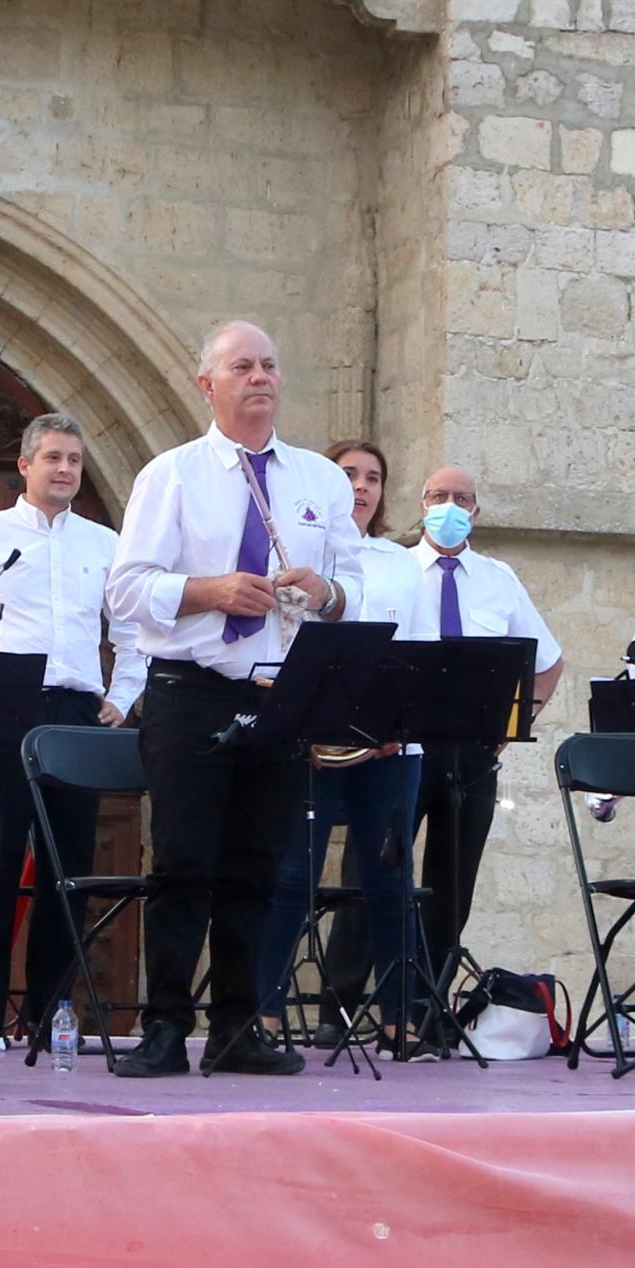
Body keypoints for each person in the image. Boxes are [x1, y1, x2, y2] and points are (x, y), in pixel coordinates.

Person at [103, 321, 361, 1076]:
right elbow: (125, 589)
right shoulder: (171, 474)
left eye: (270, 364)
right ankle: (163, 1027)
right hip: (190, 689)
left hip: (279, 692)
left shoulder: (320, 480)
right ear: (206, 384)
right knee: (182, 863)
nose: (260, 376)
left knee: (259, 867)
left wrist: (329, 591)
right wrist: (205, 590)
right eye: (242, 365)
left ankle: (239, 1025)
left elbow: (364, 584)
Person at [0, 411, 143, 1054]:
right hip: (3, 709)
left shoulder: (105, 543)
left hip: (77, 714)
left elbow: (132, 633)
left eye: (74, 459)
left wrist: (122, 697)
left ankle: (48, 1014)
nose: (65, 469)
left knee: (67, 870)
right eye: (53, 458)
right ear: (25, 465)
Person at [258, 440, 425, 1045]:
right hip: (312, 741)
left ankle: (398, 1017)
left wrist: (395, 727)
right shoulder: (300, 555)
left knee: (389, 880)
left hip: (387, 746)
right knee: (292, 874)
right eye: (348, 474)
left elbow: (417, 652)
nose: (361, 487)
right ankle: (266, 1010)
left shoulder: (402, 563)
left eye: (373, 477)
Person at [407, 464, 565, 992]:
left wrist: (518, 720)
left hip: (473, 752)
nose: (450, 506)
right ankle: (364, 1000)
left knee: (454, 882)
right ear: (421, 505)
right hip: (401, 746)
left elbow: (548, 661)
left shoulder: (500, 580)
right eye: (438, 496)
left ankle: (431, 998)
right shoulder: (396, 570)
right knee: (377, 873)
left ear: (476, 511)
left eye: (461, 498)